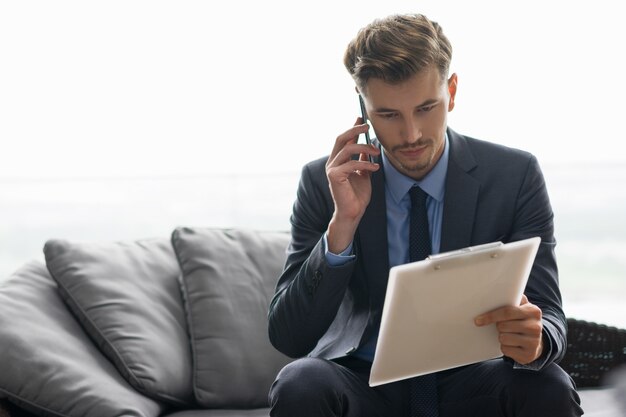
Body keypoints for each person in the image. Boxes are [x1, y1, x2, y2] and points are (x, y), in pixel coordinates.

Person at [267, 12, 582, 417]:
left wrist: (537, 339)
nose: (412, 134)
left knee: (548, 385)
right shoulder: (323, 182)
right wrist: (342, 224)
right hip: (364, 383)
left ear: (451, 91)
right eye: (389, 115)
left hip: (472, 379)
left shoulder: (514, 175)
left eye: (426, 107)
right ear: (363, 108)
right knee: (301, 382)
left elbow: (549, 311)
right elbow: (290, 336)